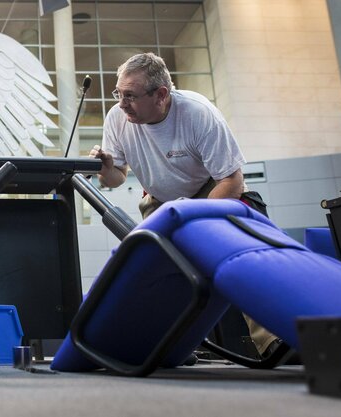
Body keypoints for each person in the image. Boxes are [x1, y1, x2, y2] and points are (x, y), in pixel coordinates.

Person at [89, 52, 277, 357]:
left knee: (241, 262)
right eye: (118, 94)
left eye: (130, 96)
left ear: (161, 95)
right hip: (160, 199)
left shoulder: (198, 113)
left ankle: (273, 342)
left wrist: (191, 218)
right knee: (156, 273)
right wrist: (105, 166)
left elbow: (232, 181)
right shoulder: (118, 118)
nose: (121, 104)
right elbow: (116, 178)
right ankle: (172, 346)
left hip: (212, 190)